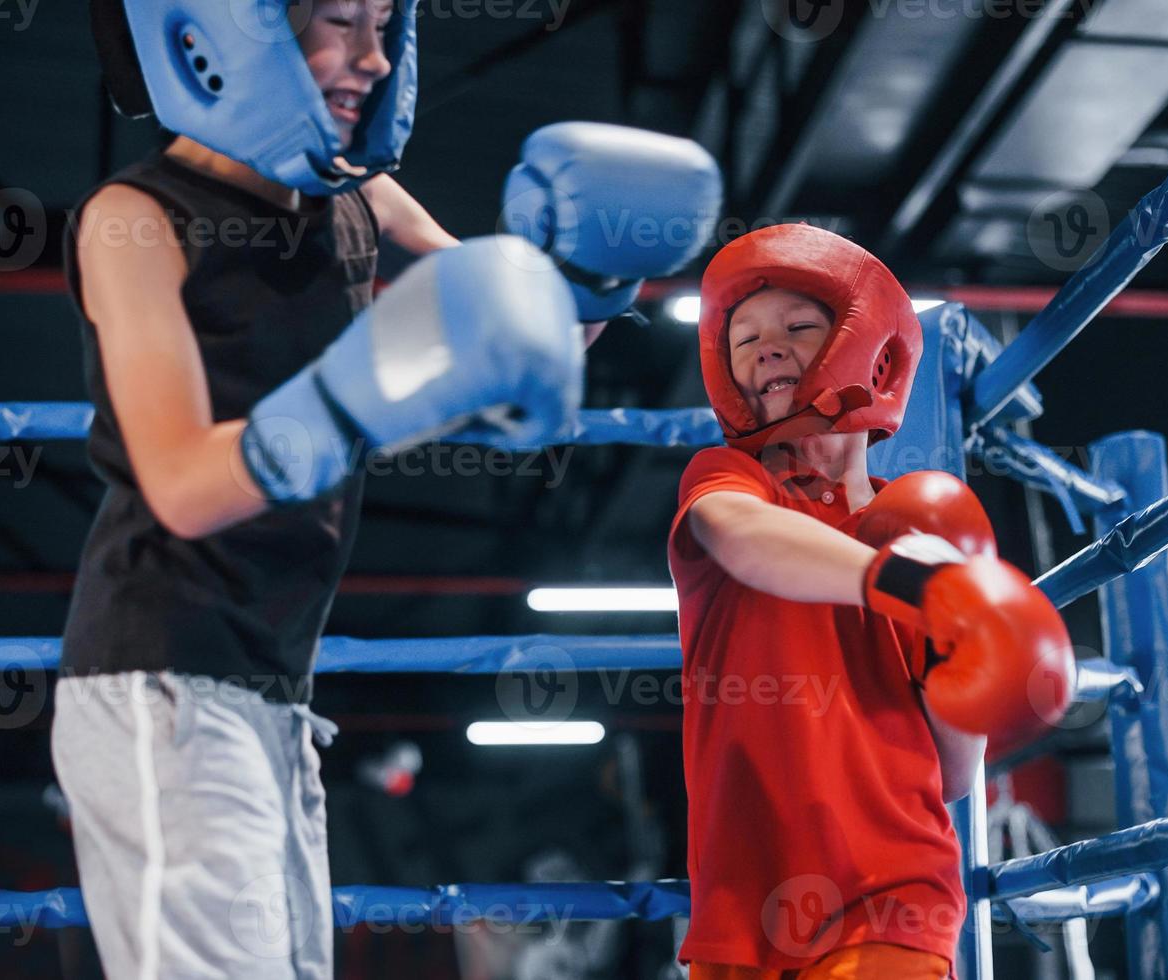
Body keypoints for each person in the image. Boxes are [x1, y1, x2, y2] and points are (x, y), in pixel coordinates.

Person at [52, 0, 722, 976]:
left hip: (272, 684)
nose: (370, 58)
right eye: (337, 22)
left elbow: (525, 330)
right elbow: (183, 483)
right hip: (158, 670)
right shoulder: (133, 220)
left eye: (381, 25)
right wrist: (357, 394)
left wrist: (589, 270)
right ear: (222, 30)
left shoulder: (359, 195)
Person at [667, 223, 1074, 979]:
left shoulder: (923, 532)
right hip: (741, 903)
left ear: (871, 349)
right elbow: (739, 534)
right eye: (744, 337)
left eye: (797, 326)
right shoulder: (730, 481)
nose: (766, 348)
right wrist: (916, 588)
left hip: (894, 896)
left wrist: (975, 660)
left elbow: (953, 775)